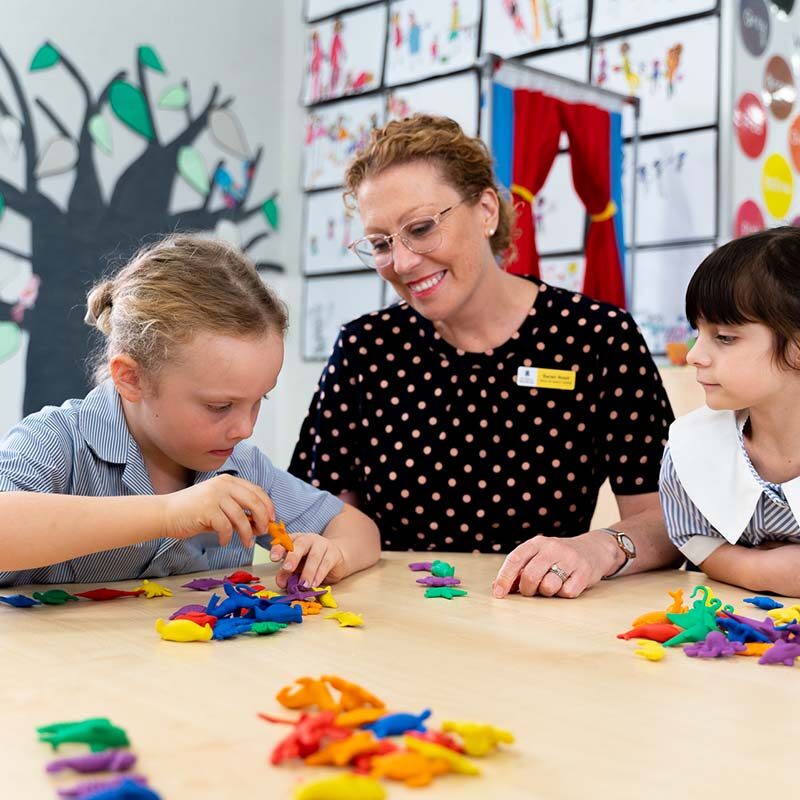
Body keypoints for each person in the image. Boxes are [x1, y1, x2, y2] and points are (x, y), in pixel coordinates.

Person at [289, 114, 679, 600]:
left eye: (422, 228)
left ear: (487, 210)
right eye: (381, 243)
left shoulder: (597, 338)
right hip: (391, 621)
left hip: (538, 615)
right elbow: (322, 515)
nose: (403, 262)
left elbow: (668, 523)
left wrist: (599, 548)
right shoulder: (365, 350)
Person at [0, 235, 380, 588]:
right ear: (131, 378)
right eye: (220, 406)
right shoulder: (55, 441)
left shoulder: (242, 469)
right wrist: (168, 512)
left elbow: (355, 527)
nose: (244, 429)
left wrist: (333, 553)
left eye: (258, 401)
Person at [660, 226, 800, 596]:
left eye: (724, 337)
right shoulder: (691, 448)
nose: (694, 355)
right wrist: (761, 570)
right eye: (698, 333)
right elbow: (694, 539)